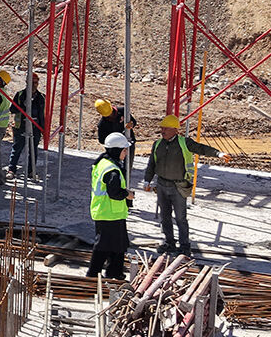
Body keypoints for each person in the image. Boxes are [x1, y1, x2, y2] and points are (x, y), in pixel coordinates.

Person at [144, 115, 226, 256]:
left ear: (175, 130)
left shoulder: (184, 143)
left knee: (181, 218)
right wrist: (147, 180)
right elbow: (152, 163)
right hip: (162, 185)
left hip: (179, 187)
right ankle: (169, 243)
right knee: (165, 216)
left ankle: (184, 246)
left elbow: (201, 149)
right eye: (161, 128)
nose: (162, 131)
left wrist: (217, 153)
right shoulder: (157, 144)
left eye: (165, 128)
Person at [87, 132, 134, 279]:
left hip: (110, 212)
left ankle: (115, 272)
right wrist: (127, 194)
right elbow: (114, 192)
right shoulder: (111, 170)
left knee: (119, 245)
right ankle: (93, 274)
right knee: (103, 246)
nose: (126, 153)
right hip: (109, 213)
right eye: (124, 150)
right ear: (117, 150)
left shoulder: (103, 162)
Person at [8, 75, 46, 178]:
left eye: (36, 83)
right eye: (32, 82)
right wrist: (23, 107)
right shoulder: (20, 95)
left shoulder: (41, 97)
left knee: (33, 150)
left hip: (35, 128)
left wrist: (43, 129)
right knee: (17, 148)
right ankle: (12, 170)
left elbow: (43, 114)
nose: (34, 85)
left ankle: (31, 171)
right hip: (21, 126)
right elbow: (12, 109)